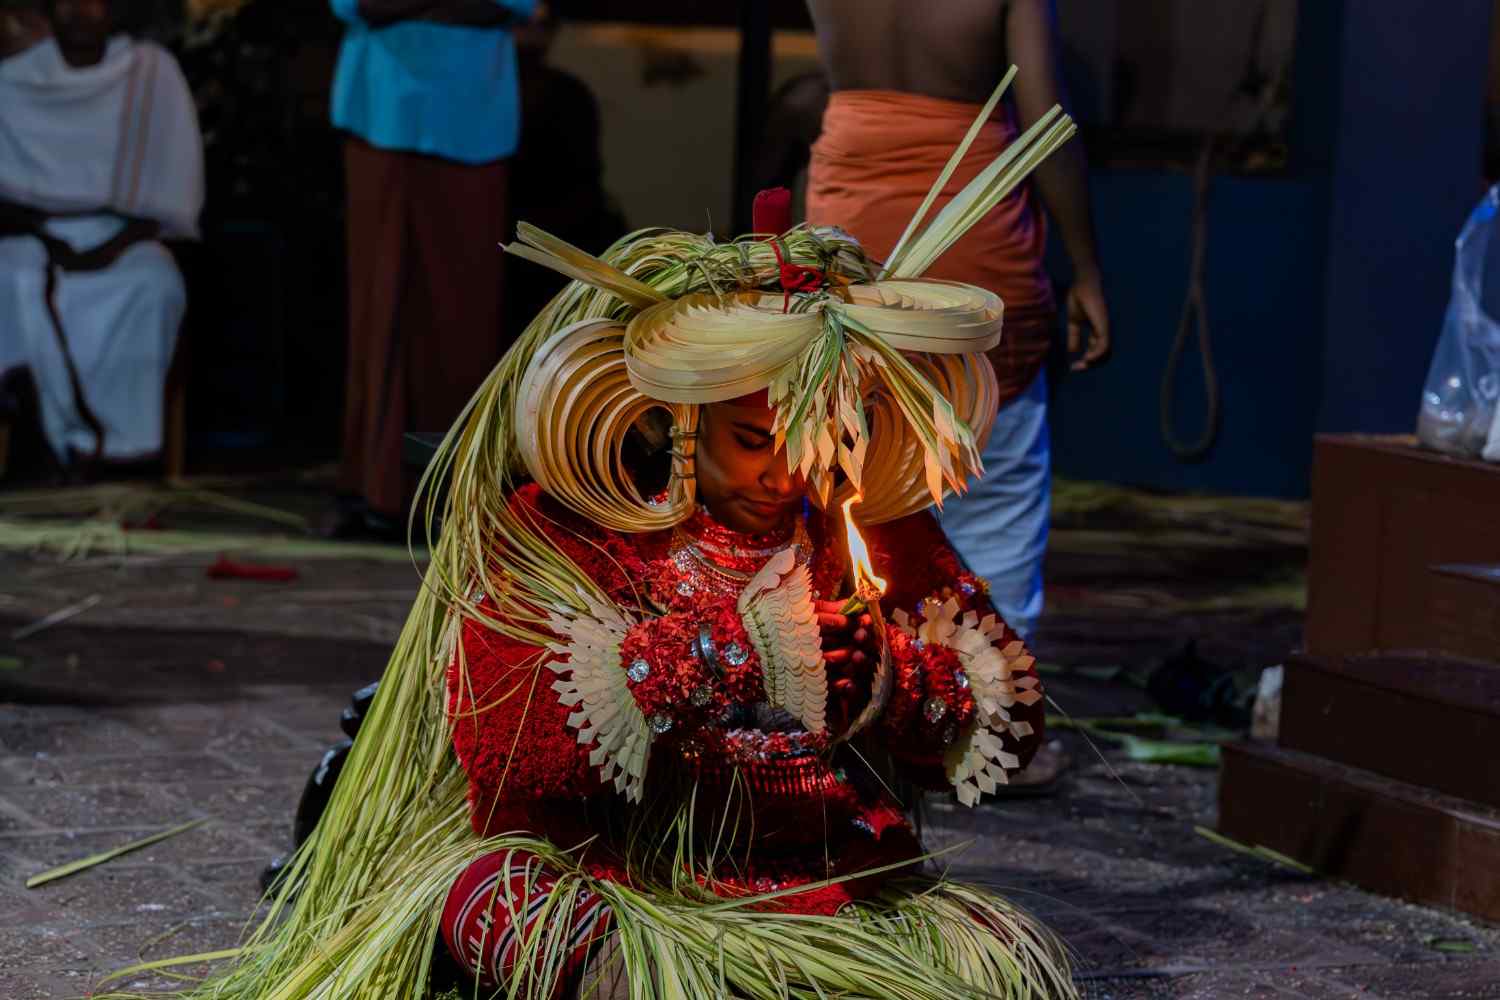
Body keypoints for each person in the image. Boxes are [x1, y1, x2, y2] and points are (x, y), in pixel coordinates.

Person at [134, 94, 1080, 999]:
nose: (785, 477)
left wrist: (891, 681)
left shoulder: (865, 526)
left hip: (823, 880)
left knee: (1010, 960)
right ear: (683, 420)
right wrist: (713, 658)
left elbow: (1015, 710)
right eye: (752, 442)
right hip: (626, 884)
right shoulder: (571, 529)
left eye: (810, 444)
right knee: (497, 901)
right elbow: (513, 759)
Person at [805, 0, 1111, 641]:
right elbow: (1045, 126)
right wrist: (1086, 268)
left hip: (851, 254)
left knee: (857, 505)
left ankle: (866, 712)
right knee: (993, 517)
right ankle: (991, 722)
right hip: (976, 255)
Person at [327, 0, 536, 541]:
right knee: (378, 309)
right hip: (381, 111)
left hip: (471, 117)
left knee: (460, 320)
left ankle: (448, 491)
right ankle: (373, 488)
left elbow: (508, 7)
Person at [0, 0, 202, 466]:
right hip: (34, 235)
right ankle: (54, 439)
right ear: (49, 9)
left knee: (155, 283)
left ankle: (123, 452)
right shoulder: (16, 77)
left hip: (126, 236)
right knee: (17, 280)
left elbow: (169, 186)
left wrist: (108, 249)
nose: (80, 11)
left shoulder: (151, 72)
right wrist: (49, 240)